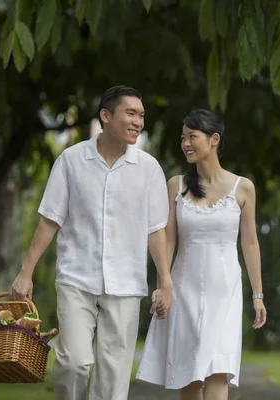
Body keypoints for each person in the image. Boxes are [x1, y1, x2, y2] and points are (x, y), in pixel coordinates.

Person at [10, 85, 174, 400]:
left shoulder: (149, 169)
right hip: (76, 279)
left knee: (112, 378)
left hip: (126, 284)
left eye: (141, 115)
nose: (138, 121)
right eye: (131, 113)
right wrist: (25, 271)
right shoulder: (71, 160)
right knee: (73, 364)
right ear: (105, 116)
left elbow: (156, 230)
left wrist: (164, 280)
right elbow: (50, 219)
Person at [136, 109, 267, 400]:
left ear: (214, 139)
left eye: (192, 136)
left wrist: (258, 295)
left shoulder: (242, 188)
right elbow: (167, 242)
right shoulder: (176, 185)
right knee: (190, 372)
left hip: (225, 291)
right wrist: (163, 285)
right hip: (184, 289)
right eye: (183, 138)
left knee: (218, 367)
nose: (185, 143)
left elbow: (250, 244)